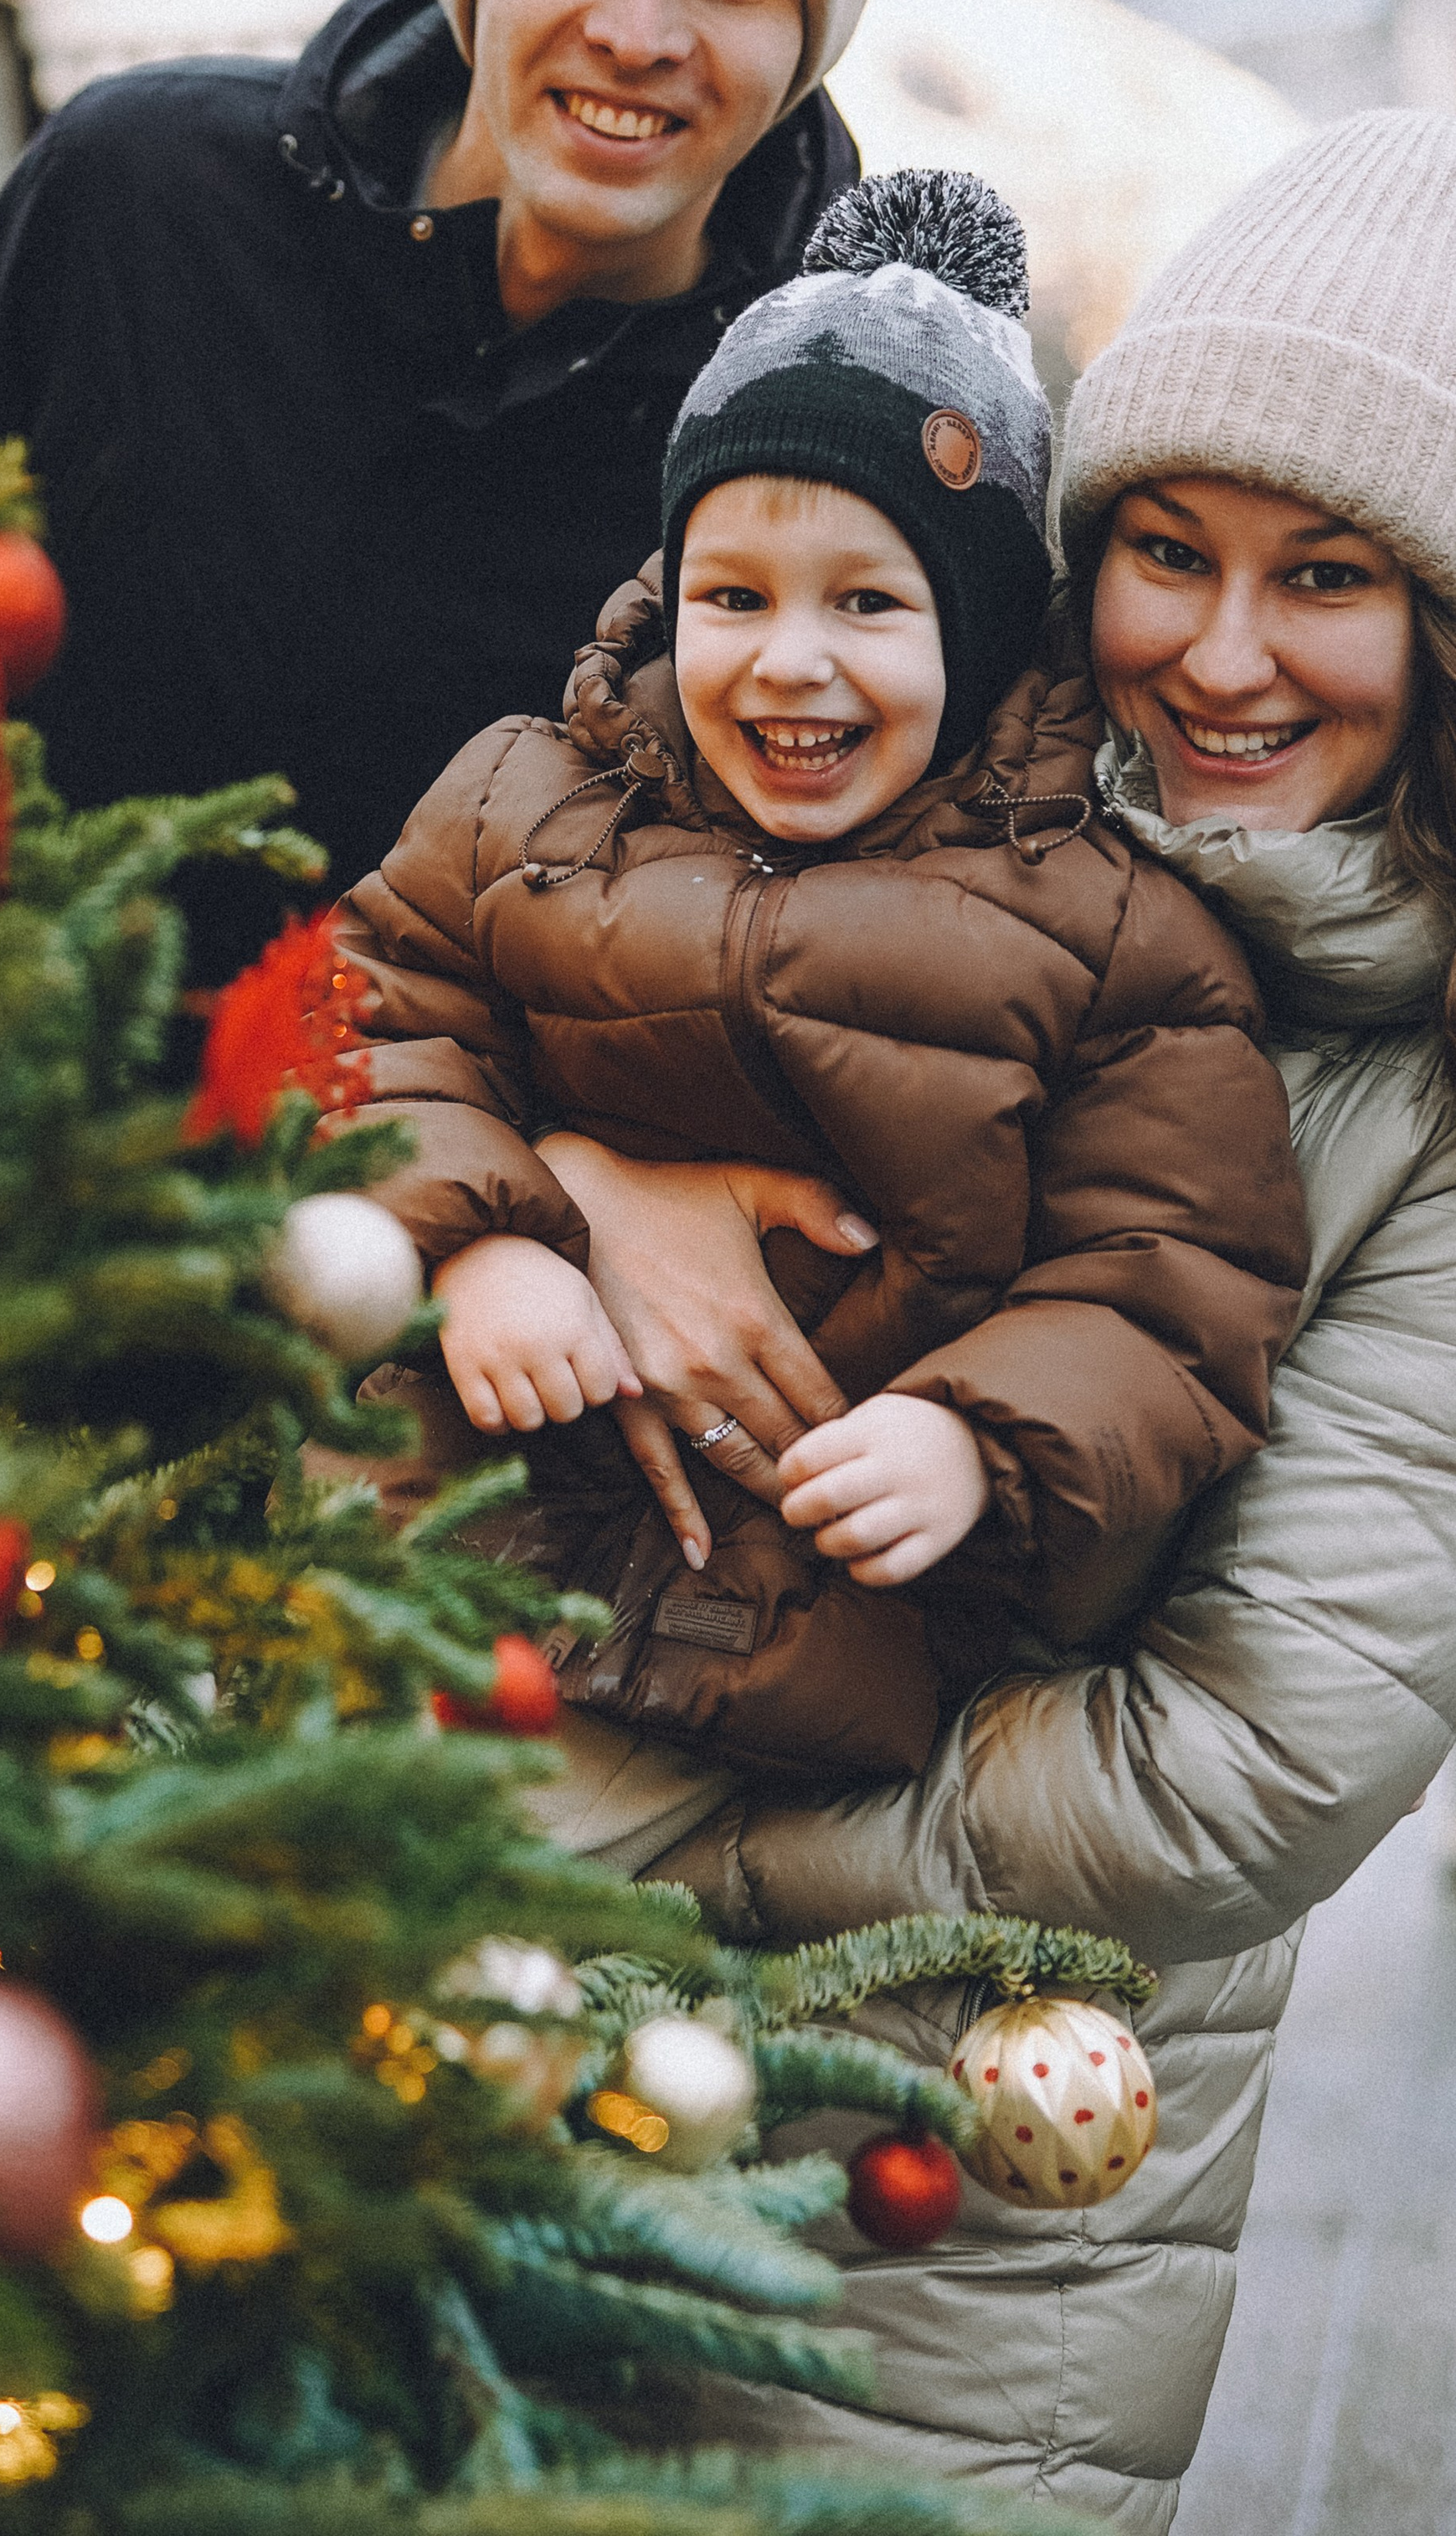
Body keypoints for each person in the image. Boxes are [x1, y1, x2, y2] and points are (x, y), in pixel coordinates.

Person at [524, 106, 1456, 2528]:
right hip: (536, 2081)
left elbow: (1235, 1763)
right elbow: (458, 1021)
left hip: (966, 2173)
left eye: (1327, 578)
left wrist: (660, 1839)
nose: (1221, 655)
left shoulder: (1422, 1103)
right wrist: (595, 1190)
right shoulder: (906, 829)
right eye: (1167, 551)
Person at [335, 168, 1304, 1786]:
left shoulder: (1108, 926)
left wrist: (977, 1437)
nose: (792, 658)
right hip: (443, 1557)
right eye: (735, 597)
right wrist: (480, 1245)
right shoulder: (528, 801)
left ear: (981, 633)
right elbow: (369, 1025)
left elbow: (1175, 1277)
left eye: (869, 601)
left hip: (794, 1655)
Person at [0, 0, 877, 970]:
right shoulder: (139, 194)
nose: (639, 31)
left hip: (475, 1170)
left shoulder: (813, 424)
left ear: (805, 44)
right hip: (5, 1129)